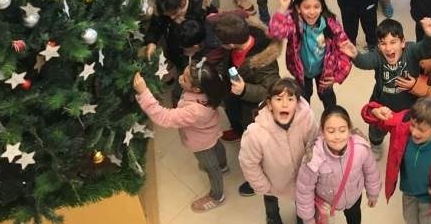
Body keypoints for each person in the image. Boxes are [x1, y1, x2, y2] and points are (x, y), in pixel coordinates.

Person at [133, 59, 229, 212]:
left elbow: (164, 117)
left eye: (184, 79)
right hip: (211, 130)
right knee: (217, 145)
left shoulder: (194, 110)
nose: (180, 78)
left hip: (201, 142)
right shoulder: (211, 88)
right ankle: (223, 165)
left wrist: (144, 93)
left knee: (212, 169)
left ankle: (217, 196)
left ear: (197, 89)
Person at [361, 96, 431, 224]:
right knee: (410, 219)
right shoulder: (403, 124)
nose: (414, 132)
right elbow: (376, 117)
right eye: (413, 125)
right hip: (409, 192)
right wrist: (373, 111)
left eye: (421, 129)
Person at [341, 18, 431, 159]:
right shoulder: (378, 56)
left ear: (403, 42)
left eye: (393, 42)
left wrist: (430, 36)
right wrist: (356, 55)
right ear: (378, 46)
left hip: (408, 107)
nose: (388, 48)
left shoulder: (411, 50)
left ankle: (404, 145)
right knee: (376, 130)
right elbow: (365, 62)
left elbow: (426, 49)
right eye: (383, 43)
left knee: (405, 131)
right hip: (381, 105)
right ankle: (376, 144)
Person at [238, 78, 319, 223]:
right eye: (278, 99)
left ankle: (301, 218)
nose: (285, 104)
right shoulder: (255, 133)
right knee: (271, 202)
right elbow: (249, 163)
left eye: (290, 99)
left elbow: (315, 145)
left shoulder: (307, 119)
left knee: (302, 205)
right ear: (269, 104)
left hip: (303, 180)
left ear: (298, 103)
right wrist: (262, 186)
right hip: (272, 183)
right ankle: (273, 217)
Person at [269, 0, 352, 110]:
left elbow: (345, 49)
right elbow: (275, 32)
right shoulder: (294, 23)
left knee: (328, 98)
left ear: (322, 7)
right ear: (298, 8)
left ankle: (331, 117)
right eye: (306, 7)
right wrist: (283, 8)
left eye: (316, 7)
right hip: (301, 73)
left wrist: (338, 76)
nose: (312, 12)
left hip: (325, 72)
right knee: (303, 100)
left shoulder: (331, 24)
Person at [295, 105, 381, 224]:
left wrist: (373, 194)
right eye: (331, 131)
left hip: (353, 198)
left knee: (354, 218)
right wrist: (308, 218)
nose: (337, 137)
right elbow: (304, 190)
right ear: (322, 132)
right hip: (326, 203)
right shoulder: (314, 158)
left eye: (342, 130)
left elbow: (371, 172)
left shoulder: (361, 149)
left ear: (349, 129)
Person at [214, 12, 282, 147]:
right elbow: (227, 60)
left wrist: (245, 90)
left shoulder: (263, 60)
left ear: (231, 44)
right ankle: (237, 131)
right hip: (232, 94)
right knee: (233, 113)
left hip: (248, 104)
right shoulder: (239, 35)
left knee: (247, 124)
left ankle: (246, 137)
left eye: (222, 43)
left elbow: (270, 90)